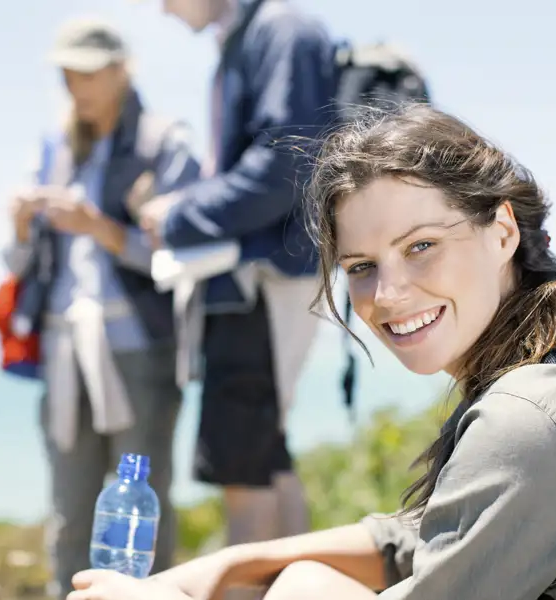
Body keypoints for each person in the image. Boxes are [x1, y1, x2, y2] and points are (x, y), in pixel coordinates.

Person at [66, 103, 556, 600]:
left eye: (421, 247)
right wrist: (222, 567)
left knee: (305, 588)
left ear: (502, 232)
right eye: (362, 266)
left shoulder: (528, 420)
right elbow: (426, 540)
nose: (386, 295)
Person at [1, 17, 200, 599]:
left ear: (121, 68)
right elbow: (19, 266)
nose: (74, 87)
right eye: (66, 74)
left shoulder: (165, 141)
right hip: (64, 351)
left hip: (139, 350)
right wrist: (19, 226)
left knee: (141, 515)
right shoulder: (56, 146)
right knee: (70, 511)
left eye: (85, 73)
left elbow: (185, 254)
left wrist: (100, 229)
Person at [135, 0, 339, 561]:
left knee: (241, 466)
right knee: (266, 456)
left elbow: (286, 164)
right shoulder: (266, 32)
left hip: (259, 283)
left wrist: (177, 216)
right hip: (261, 282)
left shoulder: (278, 30)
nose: (162, 9)